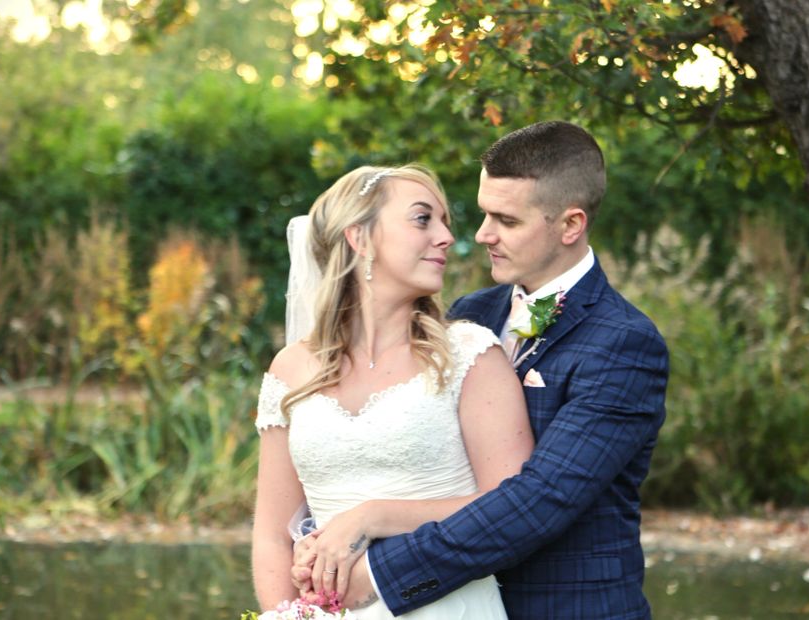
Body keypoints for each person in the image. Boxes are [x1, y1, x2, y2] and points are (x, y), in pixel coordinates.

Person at [295, 121, 670, 619]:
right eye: (483, 213)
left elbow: (539, 501)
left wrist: (379, 566)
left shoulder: (622, 343)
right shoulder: (470, 314)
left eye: (506, 220)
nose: (480, 234)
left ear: (570, 225)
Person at [251, 164, 535, 618]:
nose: (445, 237)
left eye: (445, 223)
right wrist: (285, 615)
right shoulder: (291, 369)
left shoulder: (469, 354)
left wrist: (374, 515)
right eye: (423, 219)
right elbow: (270, 534)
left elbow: (509, 506)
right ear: (359, 238)